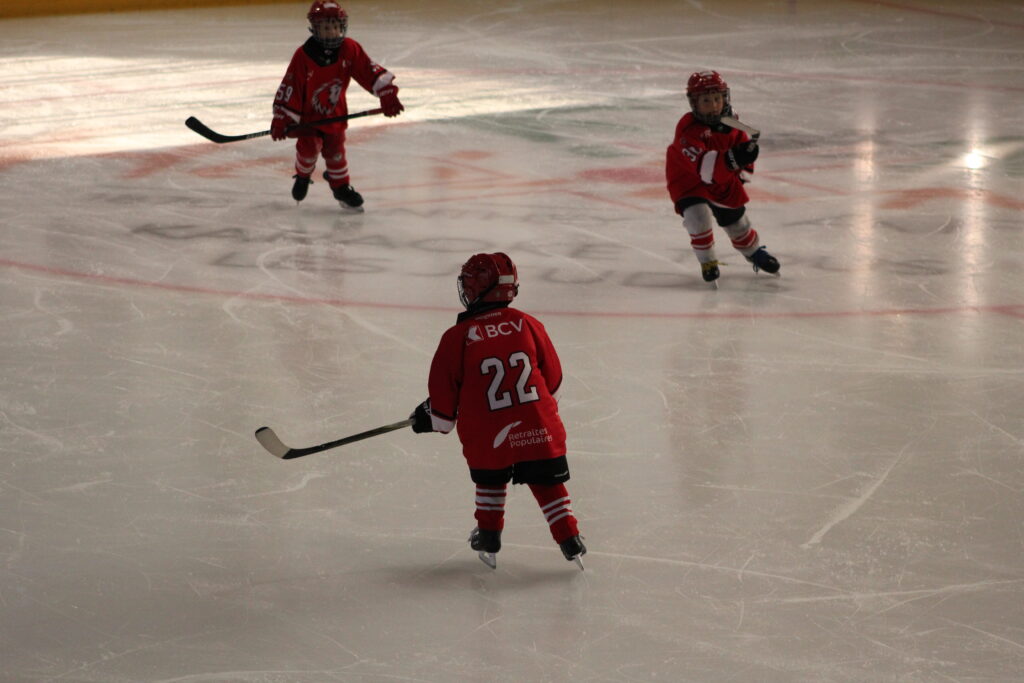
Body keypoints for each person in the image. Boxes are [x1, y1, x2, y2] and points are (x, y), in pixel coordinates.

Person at [409, 253, 587, 570]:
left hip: (488, 431)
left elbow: (443, 402)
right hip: (538, 422)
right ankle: (570, 539)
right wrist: (533, 413)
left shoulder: (458, 337)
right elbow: (554, 381)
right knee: (547, 481)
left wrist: (430, 416)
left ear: (476, 288)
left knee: (490, 479)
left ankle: (489, 536)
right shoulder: (528, 324)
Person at [271, 0, 404, 211]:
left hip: (335, 115)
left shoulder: (349, 48)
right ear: (315, 28)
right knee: (308, 151)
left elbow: (367, 70)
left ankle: (341, 187)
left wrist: (386, 92)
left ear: (342, 26)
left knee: (336, 154)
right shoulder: (303, 55)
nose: (331, 32)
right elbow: (291, 86)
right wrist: (282, 116)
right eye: (325, 27)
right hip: (308, 119)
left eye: (334, 26)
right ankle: (303, 175)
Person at [665, 70, 779, 283]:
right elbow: (704, 169)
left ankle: (752, 251)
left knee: (737, 223)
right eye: (706, 101)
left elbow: (741, 147)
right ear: (694, 103)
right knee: (697, 217)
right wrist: (733, 159)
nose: (714, 105)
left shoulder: (732, 121)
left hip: (722, 177)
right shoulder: (688, 128)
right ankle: (707, 261)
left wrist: (744, 163)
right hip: (689, 179)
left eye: (717, 99)